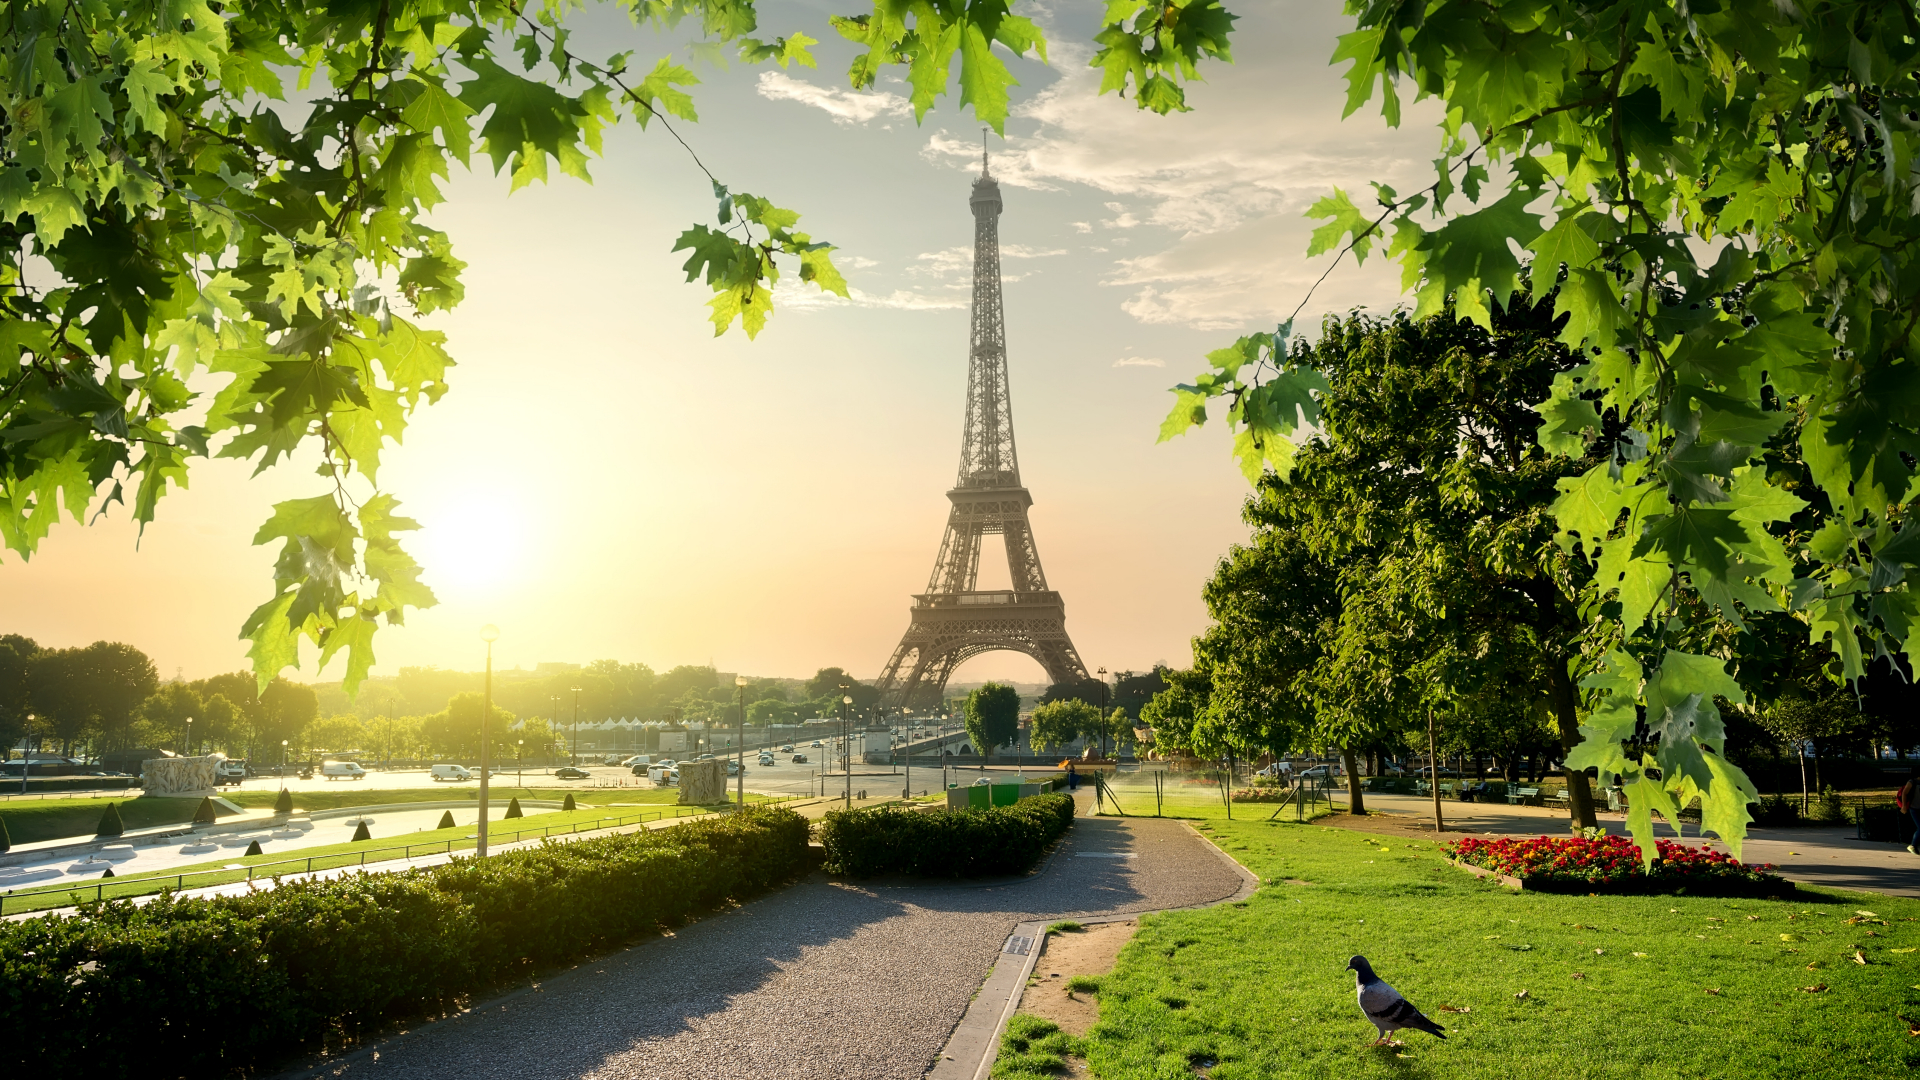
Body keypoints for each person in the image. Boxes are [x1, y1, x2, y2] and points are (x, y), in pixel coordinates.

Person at [1898, 768, 1919, 855]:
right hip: (1914, 809)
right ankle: (1913, 845)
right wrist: (1904, 806)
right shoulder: (1912, 782)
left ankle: (1913, 845)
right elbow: (1904, 793)